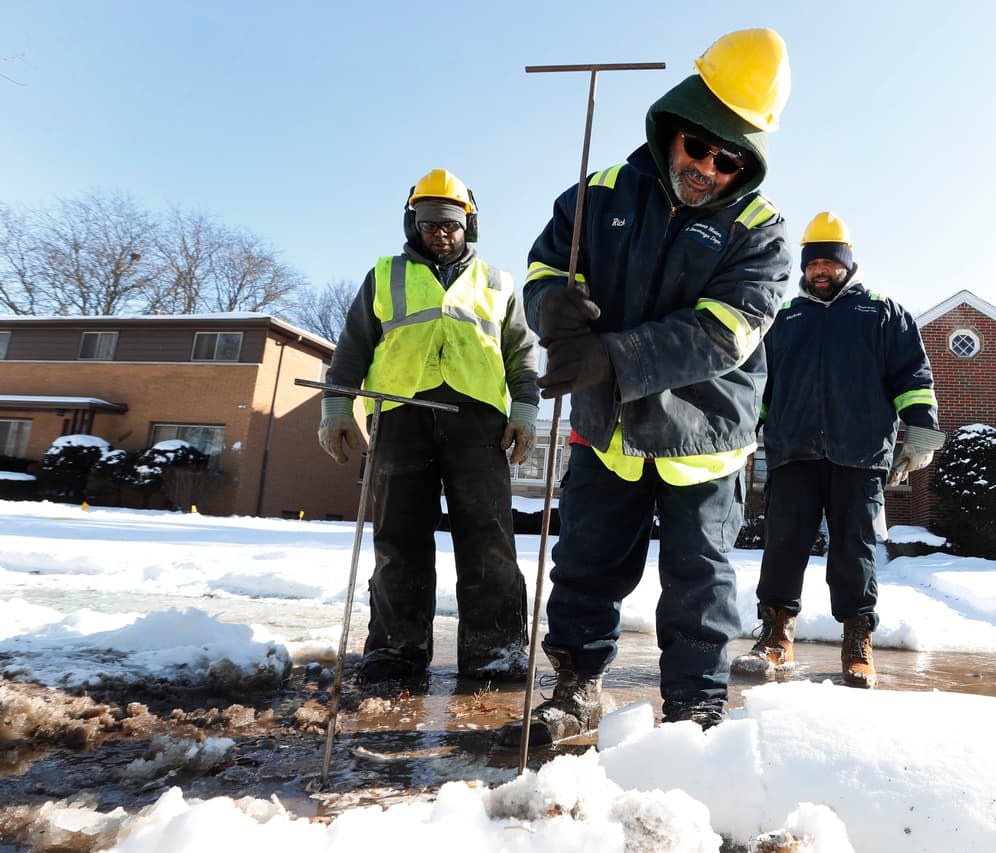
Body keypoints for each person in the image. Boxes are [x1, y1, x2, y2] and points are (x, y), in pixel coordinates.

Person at [498, 29, 793, 746]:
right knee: (586, 560)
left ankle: (695, 706)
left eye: (729, 160)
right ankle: (576, 685)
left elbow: (723, 333)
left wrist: (612, 358)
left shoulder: (761, 231)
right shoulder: (597, 195)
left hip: (705, 437)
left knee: (700, 581)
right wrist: (550, 307)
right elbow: (543, 268)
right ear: (672, 127)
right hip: (608, 430)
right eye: (699, 147)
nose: (708, 168)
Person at [317, 168, 539, 685]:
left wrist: (524, 409)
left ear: (469, 224)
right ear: (411, 222)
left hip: (477, 421)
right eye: (428, 222)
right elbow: (352, 347)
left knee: (488, 538)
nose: (439, 232)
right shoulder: (385, 275)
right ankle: (396, 651)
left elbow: (521, 355)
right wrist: (336, 407)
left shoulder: (498, 283)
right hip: (398, 416)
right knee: (399, 537)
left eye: (450, 223)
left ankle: (496, 651)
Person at [730, 211, 944, 688]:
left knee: (855, 550)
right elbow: (760, 388)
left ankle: (857, 641)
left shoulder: (883, 314)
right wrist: (743, 435)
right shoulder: (785, 318)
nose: (818, 271)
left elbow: (914, 377)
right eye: (811, 264)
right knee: (783, 546)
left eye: (828, 262)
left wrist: (922, 432)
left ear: (847, 263)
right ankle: (775, 638)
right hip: (793, 453)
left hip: (861, 453)